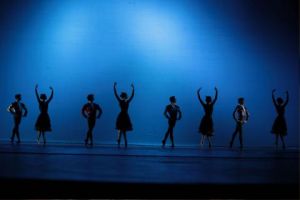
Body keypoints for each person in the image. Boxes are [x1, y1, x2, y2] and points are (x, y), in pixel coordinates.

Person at [113, 82, 134, 147]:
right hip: (122, 115)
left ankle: (123, 141)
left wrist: (133, 89)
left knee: (123, 130)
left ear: (124, 96)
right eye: (122, 96)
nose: (122, 97)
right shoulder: (122, 101)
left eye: (122, 96)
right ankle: (121, 141)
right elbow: (116, 94)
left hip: (124, 116)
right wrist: (114, 87)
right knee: (120, 129)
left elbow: (132, 96)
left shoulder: (126, 101)